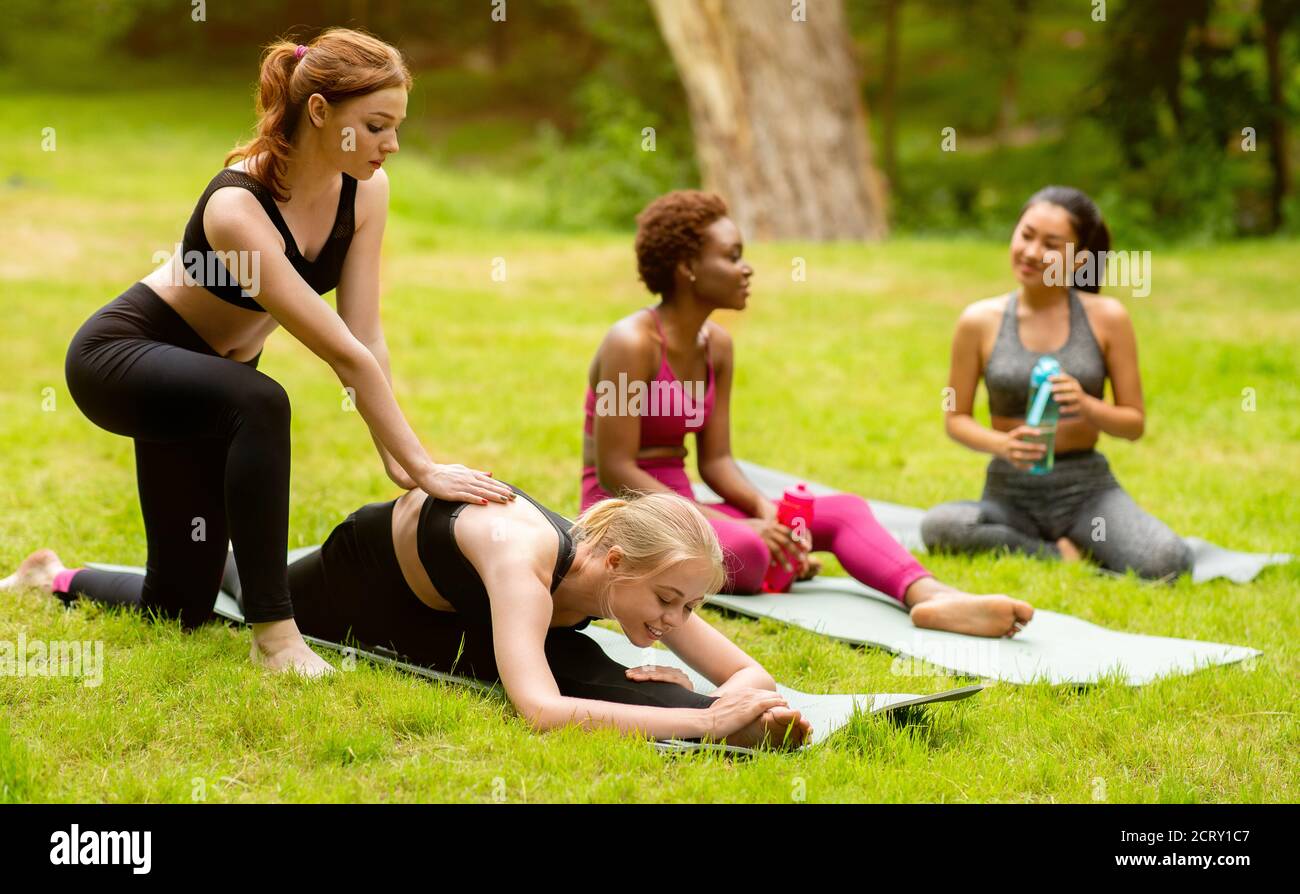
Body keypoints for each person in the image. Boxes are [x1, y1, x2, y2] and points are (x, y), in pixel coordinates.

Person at [61, 29, 514, 677]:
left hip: (215, 384)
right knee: (261, 400)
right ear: (321, 111)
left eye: (397, 126)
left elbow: (366, 338)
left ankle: (53, 574)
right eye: (377, 126)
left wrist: (398, 463)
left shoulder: (364, 191)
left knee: (178, 604)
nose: (393, 145)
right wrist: (421, 465)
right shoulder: (236, 208)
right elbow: (341, 356)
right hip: (126, 359)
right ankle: (275, 636)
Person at [4, 490, 812, 749]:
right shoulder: (524, 566)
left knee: (608, 677)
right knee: (234, 597)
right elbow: (537, 713)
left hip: (453, 614)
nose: (677, 618)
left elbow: (747, 673)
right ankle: (58, 574)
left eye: (691, 605)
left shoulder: (638, 575)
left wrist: (734, 695)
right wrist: (710, 723)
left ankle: (726, 731)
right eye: (668, 602)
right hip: (363, 581)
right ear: (608, 564)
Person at [581, 191, 1034, 638]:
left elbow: (715, 460)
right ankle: (780, 562)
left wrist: (764, 509)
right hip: (628, 515)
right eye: (733, 256)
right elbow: (615, 468)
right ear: (688, 268)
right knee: (747, 548)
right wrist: (724, 524)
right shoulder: (632, 344)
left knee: (844, 513)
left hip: (685, 505)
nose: (747, 268)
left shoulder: (716, 345)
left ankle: (931, 596)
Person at [920, 186, 1192, 580]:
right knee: (941, 527)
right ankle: (1057, 553)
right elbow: (954, 417)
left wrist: (1087, 406)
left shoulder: (1107, 318)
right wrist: (1003, 445)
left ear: (1079, 259)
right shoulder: (978, 321)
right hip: (1010, 493)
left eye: (1051, 244)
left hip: (1087, 492)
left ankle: (1080, 540)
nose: (1031, 253)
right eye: (1026, 234)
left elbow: (1134, 424)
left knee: (1168, 560)